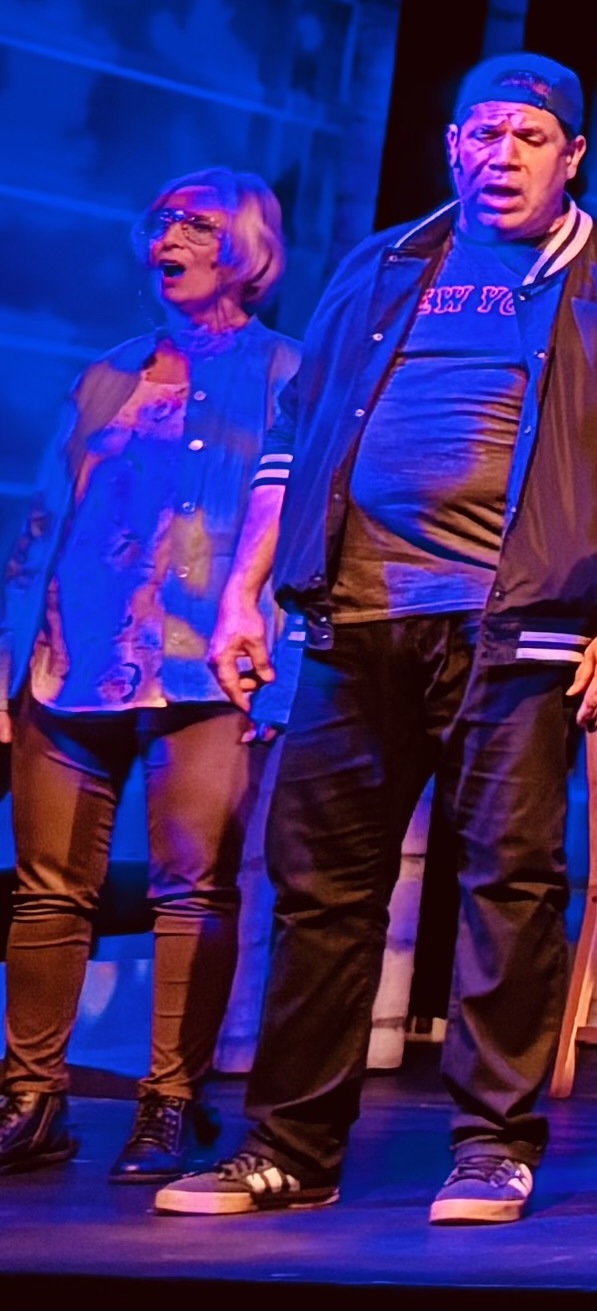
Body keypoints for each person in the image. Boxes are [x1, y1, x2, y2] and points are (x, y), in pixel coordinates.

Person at [158, 52, 597, 1226]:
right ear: (454, 144)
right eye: (482, 133)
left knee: (509, 883)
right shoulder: (384, 265)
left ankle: (492, 1146)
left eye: (528, 138)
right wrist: (245, 591)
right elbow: (296, 437)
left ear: (572, 156)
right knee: (320, 890)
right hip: (353, 616)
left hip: (519, 625)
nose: (501, 156)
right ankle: (290, 1148)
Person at [1, 169, 304, 1184]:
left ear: (247, 247)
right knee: (47, 891)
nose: (170, 236)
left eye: (197, 223)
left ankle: (169, 1101)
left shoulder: (285, 372)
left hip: (205, 669)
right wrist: (6, 660)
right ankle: (31, 1098)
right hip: (72, 660)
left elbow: (299, 528)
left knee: (194, 888)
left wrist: (279, 663)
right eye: (162, 220)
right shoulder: (107, 375)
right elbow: (43, 522)